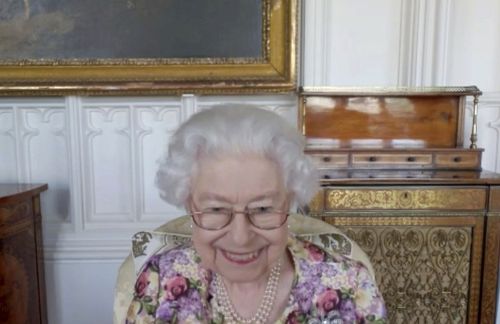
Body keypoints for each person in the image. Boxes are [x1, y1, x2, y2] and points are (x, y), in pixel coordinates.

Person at [125, 105, 386, 323]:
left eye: (262, 209)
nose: (241, 238)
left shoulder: (350, 286)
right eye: (216, 209)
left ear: (289, 201)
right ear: (189, 205)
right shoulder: (159, 282)